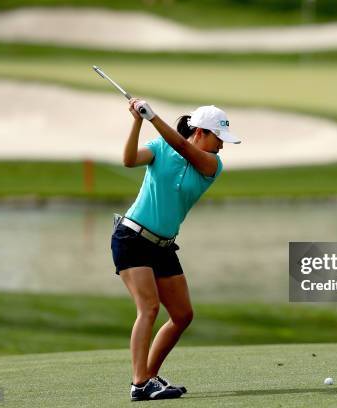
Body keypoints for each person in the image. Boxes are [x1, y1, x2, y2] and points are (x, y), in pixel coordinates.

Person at [110, 98, 240, 401]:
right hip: (132, 238)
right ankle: (140, 382)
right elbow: (129, 160)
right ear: (202, 132)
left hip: (163, 246)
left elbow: (183, 148)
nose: (222, 146)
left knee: (182, 315)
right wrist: (138, 121)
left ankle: (148, 377)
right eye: (219, 138)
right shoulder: (160, 147)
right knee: (149, 308)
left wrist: (153, 116)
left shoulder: (212, 165)